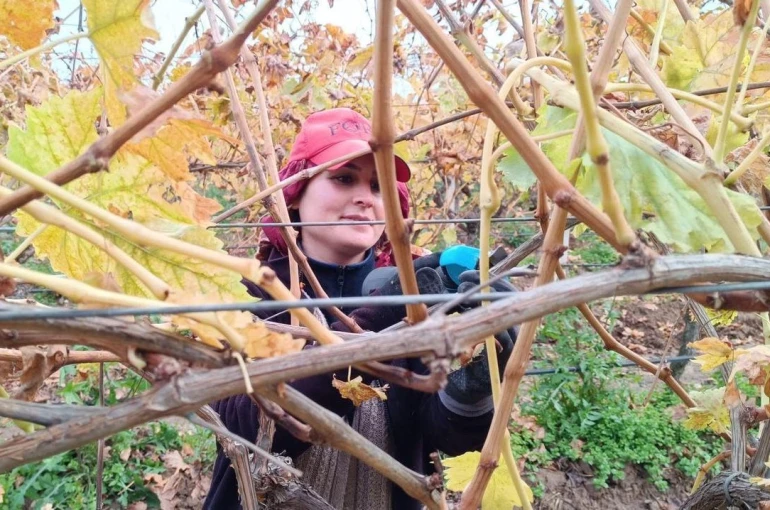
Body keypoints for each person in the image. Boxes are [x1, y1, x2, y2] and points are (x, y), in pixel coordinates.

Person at [204, 108, 517, 510]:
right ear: (294, 195)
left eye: (378, 185)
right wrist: (378, 325)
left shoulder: (413, 291)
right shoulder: (246, 292)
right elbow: (245, 429)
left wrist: (474, 387)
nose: (365, 198)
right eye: (343, 178)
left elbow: (443, 438)